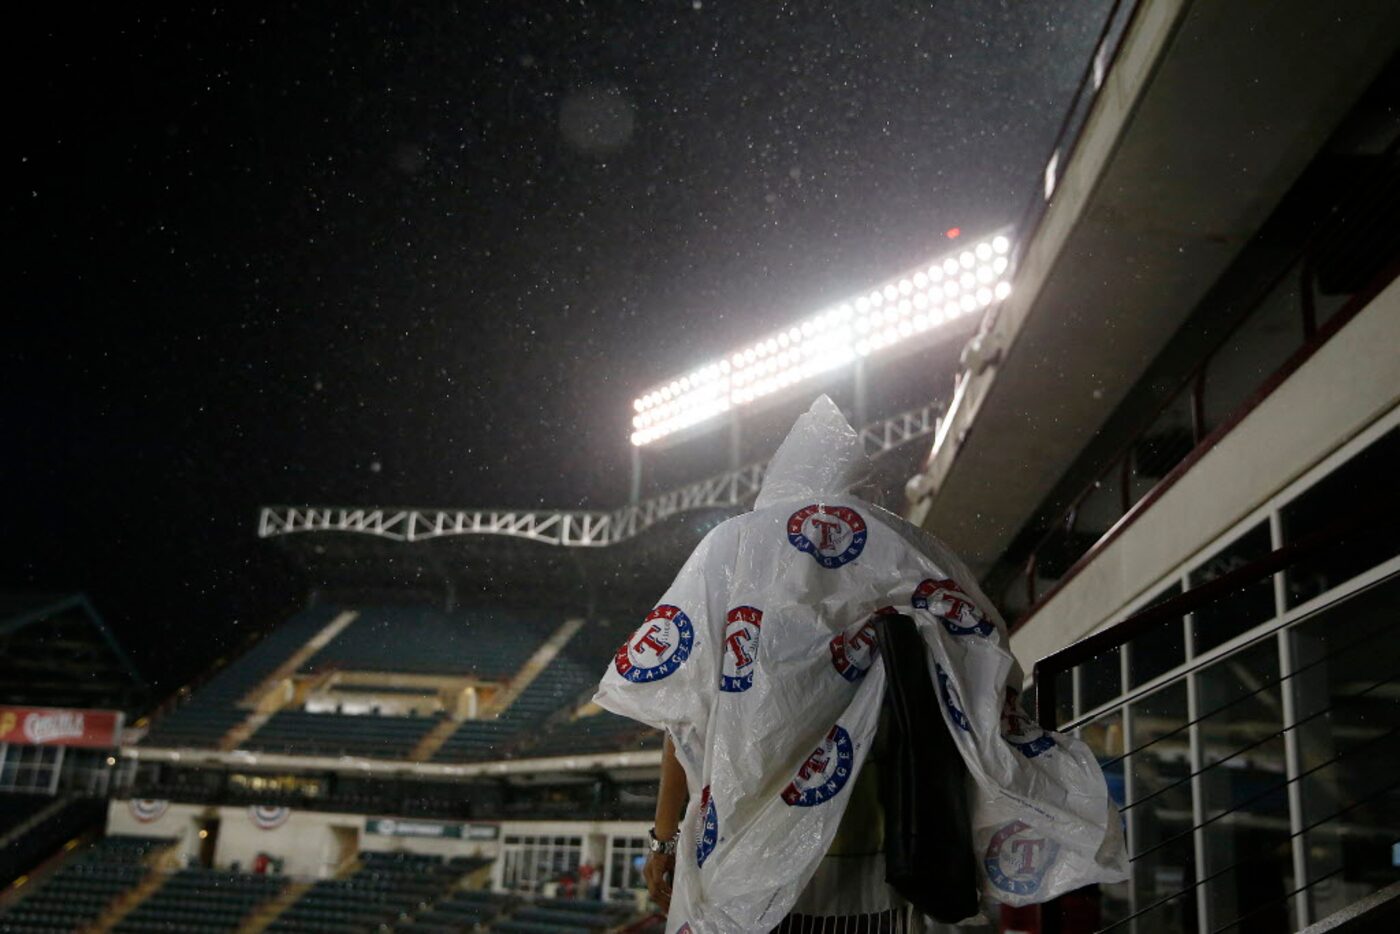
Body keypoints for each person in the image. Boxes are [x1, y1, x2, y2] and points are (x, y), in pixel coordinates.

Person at [596, 396, 1127, 933]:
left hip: (742, 854)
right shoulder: (904, 547)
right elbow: (985, 663)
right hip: (884, 854)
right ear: (862, 488)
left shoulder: (727, 550)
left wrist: (664, 838)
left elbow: (679, 708)